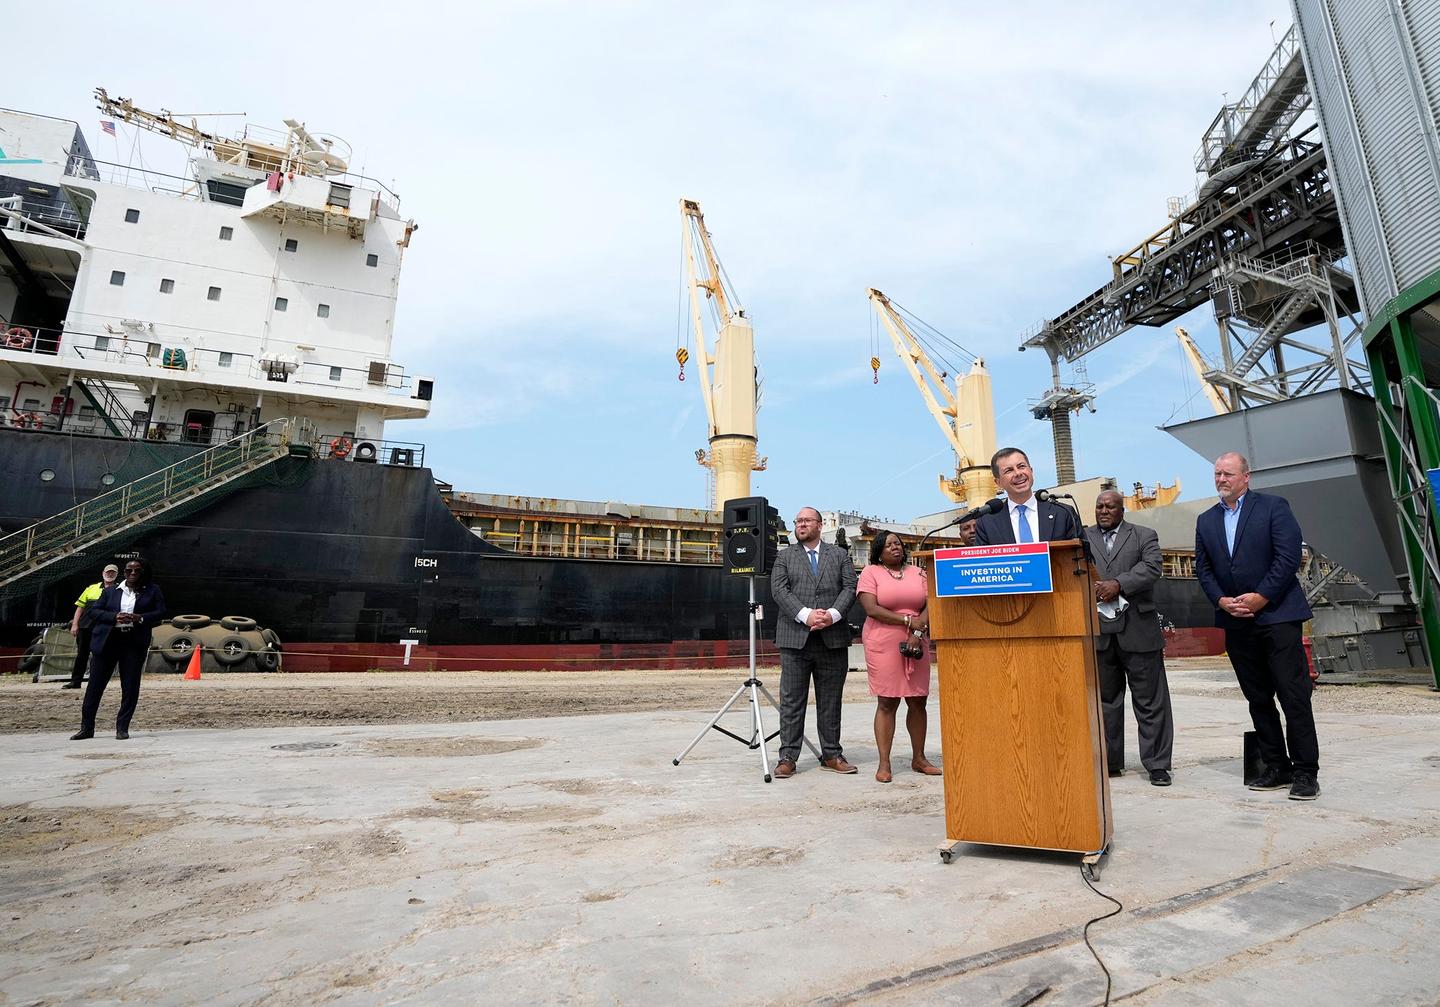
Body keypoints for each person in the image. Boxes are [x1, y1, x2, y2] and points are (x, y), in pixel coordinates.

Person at [1194, 452, 1319, 801]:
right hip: (1235, 622)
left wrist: (1262, 596)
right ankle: (1277, 767)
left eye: (1228, 474)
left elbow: (1288, 556)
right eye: (1217, 474)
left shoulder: (1273, 507)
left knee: (1293, 695)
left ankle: (1306, 772)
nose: (1221, 479)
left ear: (1246, 477)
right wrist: (1221, 600)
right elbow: (1203, 569)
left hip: (1277, 617)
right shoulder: (1206, 521)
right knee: (1258, 698)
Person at [1086, 490, 1174, 786]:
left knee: (1150, 701)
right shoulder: (1083, 539)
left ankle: (1157, 764)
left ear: (1123, 510)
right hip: (1099, 634)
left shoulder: (1144, 535)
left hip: (1139, 631)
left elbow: (1152, 567)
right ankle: (1110, 762)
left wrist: (1118, 584)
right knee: (1106, 702)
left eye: (1110, 506)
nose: (1104, 511)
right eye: (1099, 506)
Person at [770, 507, 859, 778]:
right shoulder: (784, 556)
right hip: (795, 639)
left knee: (831, 700)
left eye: (807, 520)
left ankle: (831, 754)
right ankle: (787, 757)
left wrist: (832, 615)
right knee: (791, 701)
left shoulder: (840, 555)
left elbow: (850, 587)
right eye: (798, 521)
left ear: (820, 525)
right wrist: (806, 615)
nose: (801, 525)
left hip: (832, 638)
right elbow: (779, 589)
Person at [857, 530, 942, 783]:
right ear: (879, 551)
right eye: (888, 545)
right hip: (883, 641)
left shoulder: (919, 573)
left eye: (898, 544)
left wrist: (917, 629)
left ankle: (919, 758)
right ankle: (884, 763)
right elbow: (871, 608)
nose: (895, 547)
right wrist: (907, 620)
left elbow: (931, 602)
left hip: (918, 638)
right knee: (887, 702)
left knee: (918, 700)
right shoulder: (870, 573)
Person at [72, 558, 166, 741]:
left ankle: (122, 728)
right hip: (108, 640)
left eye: (136, 571)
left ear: (144, 573)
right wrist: (115, 617)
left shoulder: (153, 591)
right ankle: (86, 728)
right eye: (128, 571)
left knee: (130, 686)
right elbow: (94, 611)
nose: (132, 574)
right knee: (95, 685)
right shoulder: (110, 592)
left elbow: (161, 612)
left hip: (133, 641)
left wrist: (140, 618)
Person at [973, 447, 1081, 545]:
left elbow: (1084, 558)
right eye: (1009, 470)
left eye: (1021, 466)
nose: (1018, 473)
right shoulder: (986, 523)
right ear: (998, 482)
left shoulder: (1063, 513)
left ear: (1031, 471)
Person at [63, 564, 119, 689]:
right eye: (108, 572)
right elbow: (80, 607)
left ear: (116, 575)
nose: (110, 574)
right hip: (85, 626)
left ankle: (95, 682)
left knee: (100, 655)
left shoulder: (119, 590)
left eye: (113, 573)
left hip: (104, 627)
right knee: (82, 654)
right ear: (103, 573)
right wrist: (75, 624)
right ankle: (75, 681)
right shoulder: (91, 588)